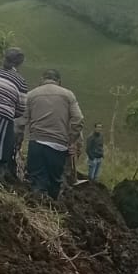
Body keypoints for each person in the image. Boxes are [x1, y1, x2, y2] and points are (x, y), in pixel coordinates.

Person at [25, 68, 84, 199]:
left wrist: (18, 140)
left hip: (36, 143)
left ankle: (38, 202)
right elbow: (78, 119)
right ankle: (52, 203)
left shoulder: (31, 94)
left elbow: (21, 120)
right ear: (59, 81)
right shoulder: (68, 95)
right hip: (58, 145)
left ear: (42, 79)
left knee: (37, 180)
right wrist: (72, 140)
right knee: (55, 181)